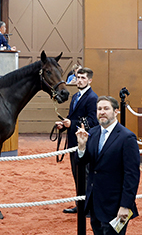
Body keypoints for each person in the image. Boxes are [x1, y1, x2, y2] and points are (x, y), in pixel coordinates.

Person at [76, 96, 140, 234]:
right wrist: (81, 147)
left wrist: (125, 205)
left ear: (116, 112)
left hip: (115, 207)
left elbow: (132, 175)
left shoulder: (127, 137)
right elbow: (83, 162)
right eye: (99, 109)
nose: (102, 112)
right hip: (95, 204)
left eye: (106, 108)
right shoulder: (92, 133)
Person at [55, 67, 98, 214]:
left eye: (83, 78)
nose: (79, 80)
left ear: (90, 80)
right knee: (77, 175)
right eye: (78, 77)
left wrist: (71, 124)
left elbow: (93, 121)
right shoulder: (75, 97)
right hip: (74, 142)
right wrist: (63, 125)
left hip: (85, 143)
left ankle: (89, 207)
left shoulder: (92, 98)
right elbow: (72, 117)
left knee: (85, 175)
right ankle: (80, 205)